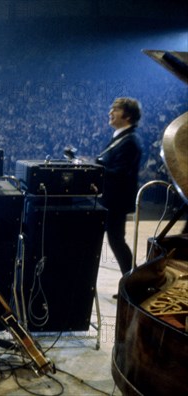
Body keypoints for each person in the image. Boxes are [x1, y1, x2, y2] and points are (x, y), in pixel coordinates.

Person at [96, 97, 143, 279]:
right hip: (111, 199)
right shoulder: (122, 138)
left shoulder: (130, 141)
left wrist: (96, 168)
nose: (110, 113)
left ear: (128, 115)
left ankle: (134, 282)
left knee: (116, 241)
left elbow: (120, 172)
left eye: (115, 109)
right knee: (116, 241)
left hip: (115, 201)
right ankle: (133, 281)